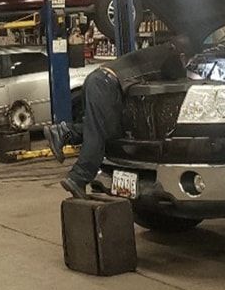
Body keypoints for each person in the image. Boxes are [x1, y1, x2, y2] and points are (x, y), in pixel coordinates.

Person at [43, 38, 189, 198]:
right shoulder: (170, 54)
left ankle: (64, 132)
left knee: (110, 132)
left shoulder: (156, 52)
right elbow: (180, 79)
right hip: (105, 84)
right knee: (97, 134)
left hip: (99, 80)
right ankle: (78, 177)